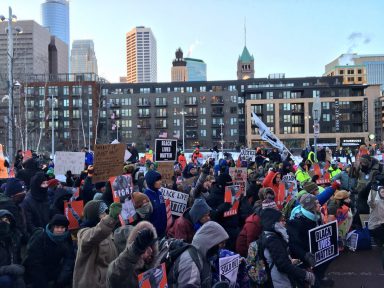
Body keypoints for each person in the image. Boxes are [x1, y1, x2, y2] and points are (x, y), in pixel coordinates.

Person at [287, 194, 334, 287]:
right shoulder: (296, 222)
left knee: (329, 257)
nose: (320, 204)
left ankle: (318, 278)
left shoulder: (317, 215)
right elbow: (293, 244)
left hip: (315, 250)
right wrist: (305, 255)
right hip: (304, 254)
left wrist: (334, 239)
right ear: (310, 207)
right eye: (316, 203)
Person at [260, 208, 315, 288]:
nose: (284, 223)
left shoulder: (270, 235)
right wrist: (305, 275)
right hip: (280, 282)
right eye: (281, 221)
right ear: (273, 223)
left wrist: (290, 261)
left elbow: (277, 259)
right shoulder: (272, 240)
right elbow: (283, 265)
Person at [73, 201, 122, 288]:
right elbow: (95, 234)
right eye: (102, 213)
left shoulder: (107, 232)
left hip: (109, 282)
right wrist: (111, 218)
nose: (106, 215)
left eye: (107, 212)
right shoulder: (84, 233)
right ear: (93, 215)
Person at [167, 221, 229, 287]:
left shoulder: (203, 255)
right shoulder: (191, 263)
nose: (223, 246)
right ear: (210, 242)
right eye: (221, 243)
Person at [24, 214, 75, 288]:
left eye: (62, 227)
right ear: (52, 227)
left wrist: (62, 278)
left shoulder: (66, 238)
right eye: (57, 227)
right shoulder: (40, 238)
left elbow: (69, 258)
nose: (60, 230)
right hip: (36, 272)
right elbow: (34, 263)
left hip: (54, 269)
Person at [106, 221, 159, 288]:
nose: (150, 251)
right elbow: (113, 274)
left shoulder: (146, 264)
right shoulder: (122, 274)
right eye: (144, 248)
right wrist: (135, 249)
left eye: (151, 246)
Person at [0, 210, 25, 288]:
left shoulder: (14, 239)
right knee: (5, 280)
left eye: (7, 220)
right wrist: (8, 269)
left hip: (11, 273)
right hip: (3, 275)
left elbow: (17, 259)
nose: (4, 223)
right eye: (1, 220)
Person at [144, 170, 167, 238]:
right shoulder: (145, 196)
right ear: (151, 182)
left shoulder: (159, 193)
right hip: (153, 235)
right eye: (157, 180)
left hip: (162, 231)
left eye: (160, 179)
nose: (160, 182)